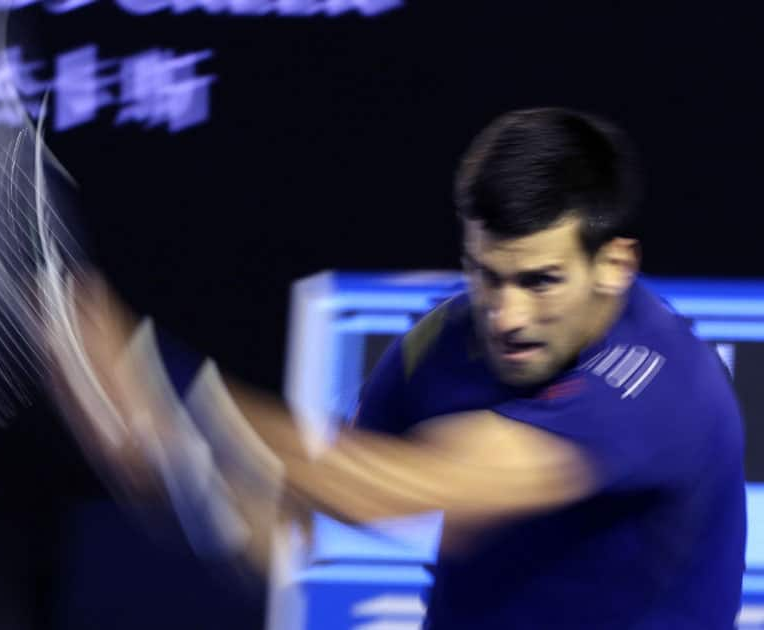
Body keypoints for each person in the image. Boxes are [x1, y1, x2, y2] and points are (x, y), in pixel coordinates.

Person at [46, 107, 747, 629]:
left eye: (539, 282)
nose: (506, 316)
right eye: (485, 275)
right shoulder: (442, 341)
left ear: (615, 265)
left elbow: (402, 489)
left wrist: (166, 382)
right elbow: (293, 521)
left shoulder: (659, 381)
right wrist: (164, 458)